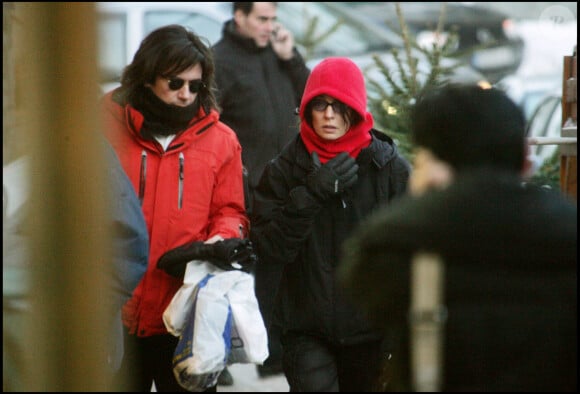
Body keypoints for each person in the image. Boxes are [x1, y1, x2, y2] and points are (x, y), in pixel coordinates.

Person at [338, 84, 577, 391]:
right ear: (524, 160)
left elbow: (362, 293)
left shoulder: (397, 245)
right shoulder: (566, 233)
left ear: (432, 161)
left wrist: (423, 199)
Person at [100, 25, 250, 392]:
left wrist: (222, 239)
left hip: (184, 316)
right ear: (148, 77)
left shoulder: (221, 141)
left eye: (195, 86)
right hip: (113, 311)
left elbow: (231, 210)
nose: (186, 94)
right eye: (175, 83)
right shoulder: (103, 126)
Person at [250, 57, 411, 391]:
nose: (329, 115)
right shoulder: (284, 170)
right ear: (306, 109)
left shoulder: (388, 168)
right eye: (320, 105)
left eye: (340, 106)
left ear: (356, 109)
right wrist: (308, 195)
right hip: (306, 329)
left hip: (372, 331)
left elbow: (408, 255)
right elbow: (268, 248)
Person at [212, 1, 310, 378]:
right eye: (262, 19)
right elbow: (208, 123)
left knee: (278, 273)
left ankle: (272, 356)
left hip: (286, 184)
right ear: (240, 17)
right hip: (244, 187)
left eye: (273, 19)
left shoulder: (278, 54)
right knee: (233, 274)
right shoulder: (220, 60)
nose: (270, 26)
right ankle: (218, 356)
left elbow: (311, 101)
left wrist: (292, 58)